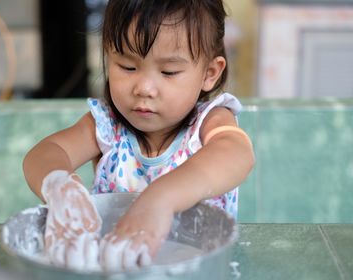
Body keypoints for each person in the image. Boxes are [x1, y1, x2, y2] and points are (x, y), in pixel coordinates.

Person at [23, 0, 255, 272]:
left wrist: (161, 199)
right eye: (127, 67)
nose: (144, 88)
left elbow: (236, 153)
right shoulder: (107, 126)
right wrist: (60, 186)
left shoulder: (210, 121)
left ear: (209, 73)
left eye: (169, 72)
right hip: (115, 267)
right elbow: (45, 153)